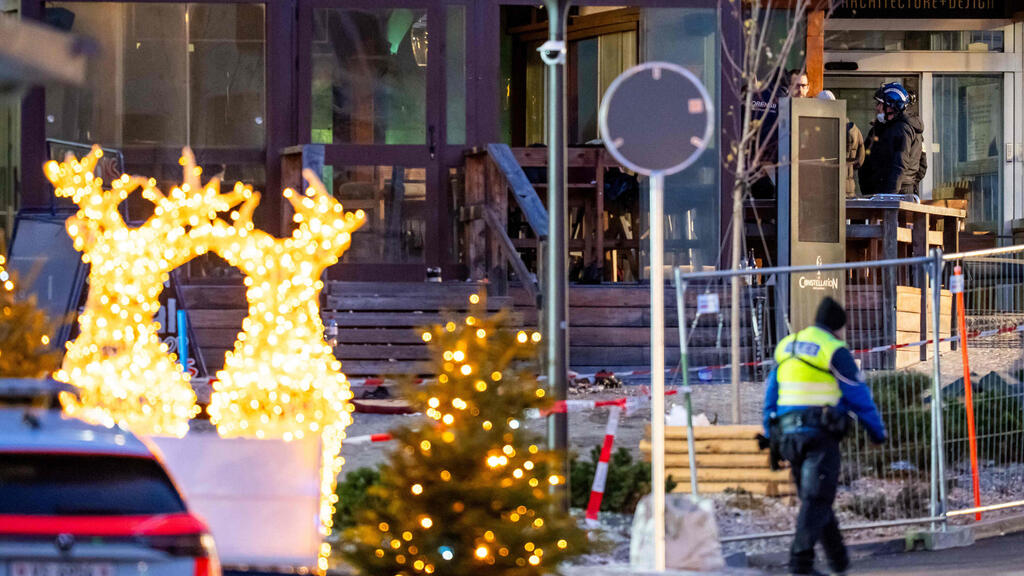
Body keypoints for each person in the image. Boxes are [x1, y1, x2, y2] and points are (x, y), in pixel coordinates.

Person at [762, 297, 887, 576]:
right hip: (818, 435)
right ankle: (800, 564)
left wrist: (771, 433)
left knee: (816, 498)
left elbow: (771, 393)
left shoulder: (788, 345)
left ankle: (839, 563)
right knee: (817, 499)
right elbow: (858, 394)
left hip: (788, 436)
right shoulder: (834, 349)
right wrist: (876, 431)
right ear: (836, 327)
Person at [859, 82, 927, 196]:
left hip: (894, 195)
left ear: (892, 106)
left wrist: (890, 197)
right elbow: (922, 166)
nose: (877, 108)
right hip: (891, 193)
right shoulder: (886, 128)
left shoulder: (901, 129)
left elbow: (900, 164)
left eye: (880, 104)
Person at [816, 90, 865, 198]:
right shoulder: (854, 129)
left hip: (827, 188)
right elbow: (860, 161)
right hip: (849, 187)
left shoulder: (823, 130)